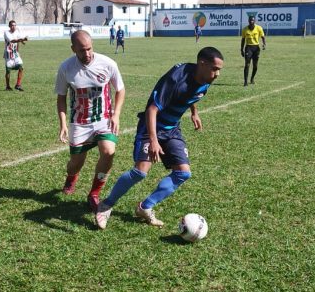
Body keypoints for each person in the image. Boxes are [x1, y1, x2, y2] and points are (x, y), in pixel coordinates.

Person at [95, 47, 225, 230]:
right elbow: (152, 110)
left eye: (219, 69)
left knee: (183, 173)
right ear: (202, 64)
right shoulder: (176, 78)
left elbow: (194, 94)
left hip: (172, 129)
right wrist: (154, 141)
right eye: (215, 68)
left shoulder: (206, 78)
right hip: (151, 126)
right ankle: (106, 205)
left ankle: (145, 207)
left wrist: (194, 113)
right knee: (140, 171)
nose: (217, 74)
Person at [56, 30, 126, 211]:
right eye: (81, 50)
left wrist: (116, 114)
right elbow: (61, 97)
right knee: (75, 164)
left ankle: (94, 193)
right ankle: (71, 177)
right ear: (73, 49)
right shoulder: (66, 68)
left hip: (103, 119)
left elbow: (120, 89)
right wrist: (63, 124)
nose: (86, 54)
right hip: (79, 122)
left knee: (109, 151)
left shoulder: (108, 64)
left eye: (89, 49)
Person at [240, 15, 265, 86]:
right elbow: (243, 40)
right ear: (248, 21)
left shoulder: (259, 28)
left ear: (255, 21)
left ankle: (252, 79)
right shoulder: (245, 29)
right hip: (248, 47)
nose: (251, 21)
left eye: (253, 20)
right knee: (247, 65)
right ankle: (245, 82)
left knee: (255, 66)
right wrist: (241, 49)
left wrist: (264, 44)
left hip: (256, 48)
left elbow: (263, 37)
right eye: (250, 20)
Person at [3, 20, 29, 91]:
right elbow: (13, 41)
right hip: (8, 54)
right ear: (9, 26)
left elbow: (19, 40)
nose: (13, 27)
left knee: (21, 67)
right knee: (8, 71)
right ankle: (8, 86)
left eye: (14, 25)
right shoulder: (6, 33)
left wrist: (23, 41)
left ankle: (18, 85)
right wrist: (22, 39)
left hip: (15, 53)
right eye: (12, 25)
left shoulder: (17, 32)